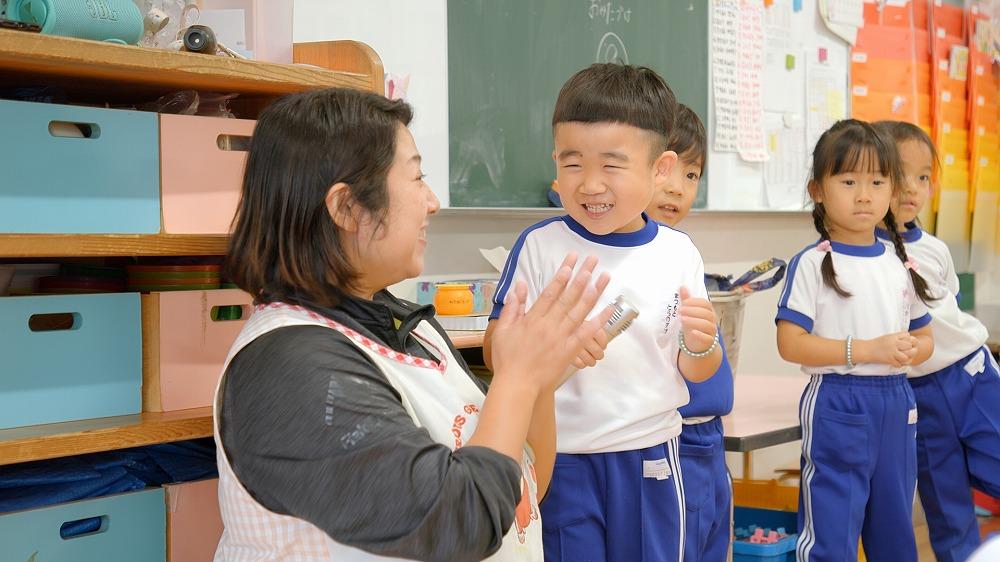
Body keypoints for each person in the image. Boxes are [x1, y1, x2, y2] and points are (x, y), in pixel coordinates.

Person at [213, 87, 613, 561]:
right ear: (347, 208)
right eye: (417, 178)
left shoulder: (407, 326)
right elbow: (461, 523)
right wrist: (519, 379)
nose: (433, 201)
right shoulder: (288, 367)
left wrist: (538, 381)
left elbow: (519, 491)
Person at [484, 63, 723, 562]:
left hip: (651, 456)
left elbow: (695, 369)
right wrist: (556, 349)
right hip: (563, 459)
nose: (590, 185)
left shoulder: (679, 253)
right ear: (555, 161)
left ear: (660, 169)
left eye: (611, 166)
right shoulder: (541, 245)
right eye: (573, 164)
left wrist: (700, 345)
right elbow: (495, 351)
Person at [775, 119, 935, 562]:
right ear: (818, 190)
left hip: (897, 403)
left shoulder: (898, 261)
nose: (864, 195)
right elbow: (791, 344)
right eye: (848, 181)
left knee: (895, 532)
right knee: (831, 532)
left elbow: (924, 337)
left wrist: (910, 350)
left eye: (877, 182)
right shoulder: (812, 263)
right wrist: (865, 351)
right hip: (837, 403)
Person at [874, 120, 1000, 562]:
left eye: (923, 177)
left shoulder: (935, 249)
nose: (912, 188)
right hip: (917, 396)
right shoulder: (857, 256)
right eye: (898, 174)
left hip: (971, 377)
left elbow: (951, 316)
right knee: (946, 511)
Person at [647, 104, 734, 562]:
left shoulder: (681, 251)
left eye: (693, 174)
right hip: (671, 439)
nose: (678, 187)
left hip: (706, 437)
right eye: (668, 167)